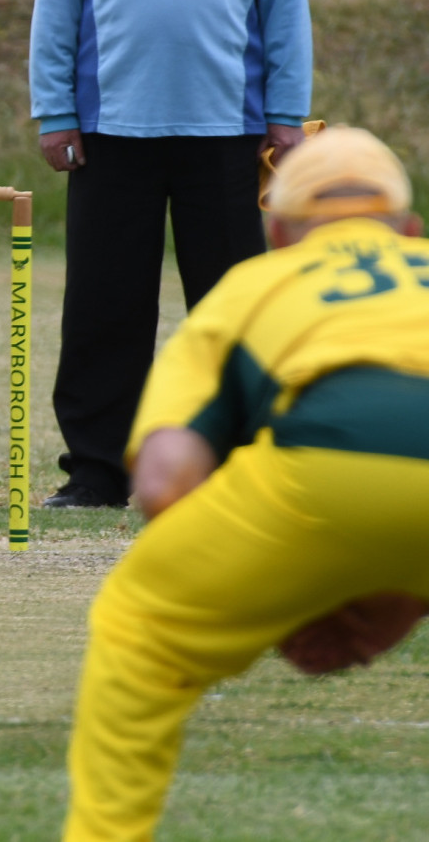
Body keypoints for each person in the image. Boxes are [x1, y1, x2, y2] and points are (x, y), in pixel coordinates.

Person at [62, 126, 429, 839]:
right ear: (411, 228)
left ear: (281, 232)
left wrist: (282, 586)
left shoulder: (254, 284)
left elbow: (167, 481)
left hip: (324, 467)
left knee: (139, 629)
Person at [29, 0, 313, 509]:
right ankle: (97, 470)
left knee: (229, 310)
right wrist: (56, 109)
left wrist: (287, 116)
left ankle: (231, 462)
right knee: (104, 308)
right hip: (113, 121)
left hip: (226, 123)